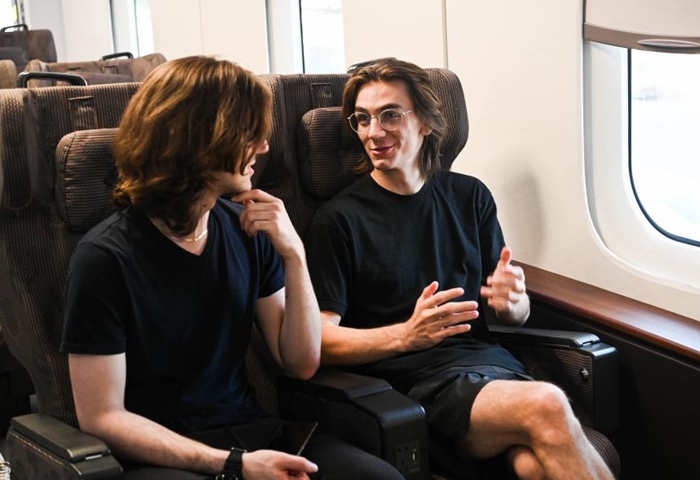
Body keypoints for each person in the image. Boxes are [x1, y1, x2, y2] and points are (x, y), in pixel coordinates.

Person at [61, 56, 403, 480]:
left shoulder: (246, 230)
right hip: (161, 454)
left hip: (251, 431)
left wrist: (293, 255)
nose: (262, 147)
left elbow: (300, 362)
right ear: (202, 141)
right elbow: (102, 417)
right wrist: (234, 465)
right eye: (250, 135)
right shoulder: (104, 258)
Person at [304, 58, 615, 480]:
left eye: (390, 115)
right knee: (548, 404)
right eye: (362, 119)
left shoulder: (470, 196)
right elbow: (319, 341)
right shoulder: (338, 220)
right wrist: (405, 335)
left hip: (489, 366)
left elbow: (510, 315)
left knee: (533, 469)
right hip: (406, 387)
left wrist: (513, 301)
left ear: (427, 123)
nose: (373, 132)